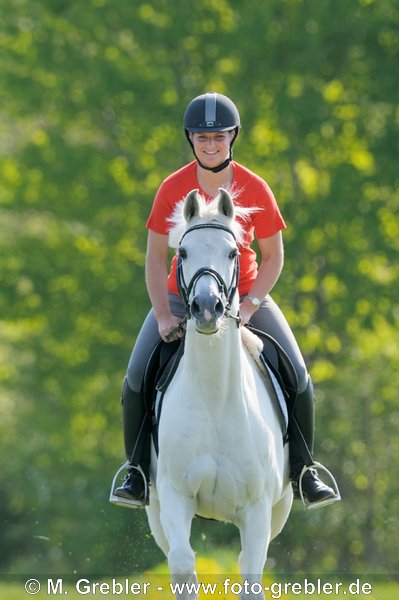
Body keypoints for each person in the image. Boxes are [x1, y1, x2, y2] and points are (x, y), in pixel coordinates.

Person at [113, 92, 339, 509]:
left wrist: (252, 304)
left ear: (233, 136)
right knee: (135, 377)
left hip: (246, 296)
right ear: (190, 139)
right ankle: (137, 472)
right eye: (202, 137)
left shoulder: (255, 187)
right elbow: (155, 258)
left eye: (218, 136)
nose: (211, 144)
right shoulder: (171, 189)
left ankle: (305, 470)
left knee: (300, 376)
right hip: (180, 299)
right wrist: (163, 314)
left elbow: (274, 257)